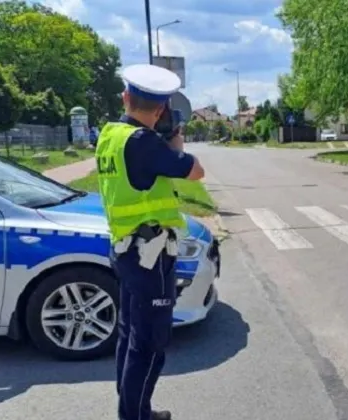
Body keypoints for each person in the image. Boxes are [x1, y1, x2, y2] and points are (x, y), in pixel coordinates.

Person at [95, 63, 205, 420]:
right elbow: (194, 170)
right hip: (150, 257)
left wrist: (164, 141)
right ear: (160, 110)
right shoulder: (145, 143)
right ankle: (135, 416)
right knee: (150, 346)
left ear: (126, 98)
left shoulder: (110, 135)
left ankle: (134, 409)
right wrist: (174, 139)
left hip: (125, 250)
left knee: (129, 338)